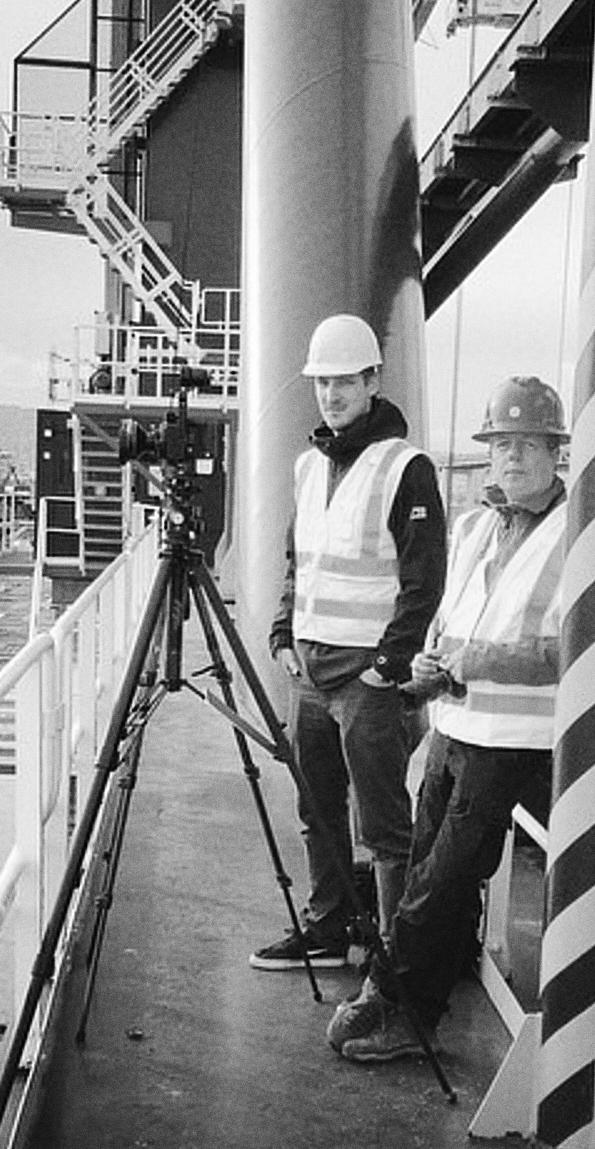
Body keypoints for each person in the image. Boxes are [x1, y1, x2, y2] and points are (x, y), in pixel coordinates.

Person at [328, 376, 569, 1061]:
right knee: (428, 869)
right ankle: (413, 1003)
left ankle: (393, 998)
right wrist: (431, 666)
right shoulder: (472, 528)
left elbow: (568, 651)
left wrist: (470, 657)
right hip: (455, 727)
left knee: (443, 878)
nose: (512, 458)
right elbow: (449, 623)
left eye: (527, 445)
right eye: (502, 445)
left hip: (516, 740)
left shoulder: (579, 536)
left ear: (556, 453)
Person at [249, 314, 447, 970]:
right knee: (318, 806)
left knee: (384, 819)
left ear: (372, 381)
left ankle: (394, 948)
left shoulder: (406, 468)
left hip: (367, 672)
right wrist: (283, 631)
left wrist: (388, 666)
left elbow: (425, 579)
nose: (331, 395)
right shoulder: (308, 468)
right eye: (322, 383)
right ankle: (329, 926)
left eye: (344, 382)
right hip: (310, 666)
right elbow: (297, 561)